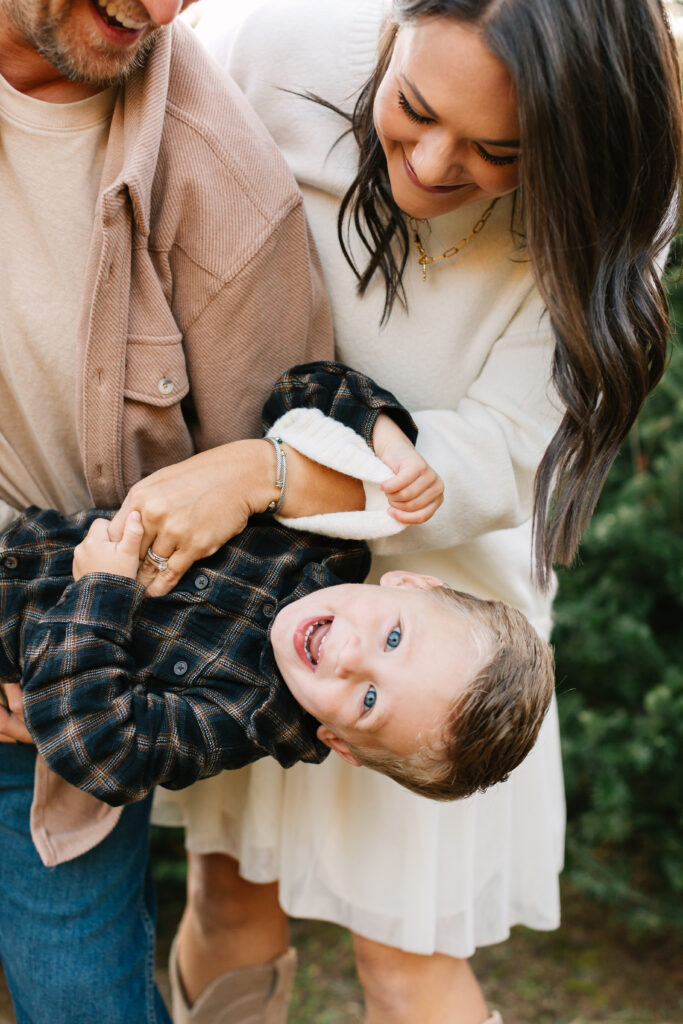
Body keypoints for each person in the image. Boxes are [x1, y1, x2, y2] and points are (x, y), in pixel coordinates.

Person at [133, 1, 680, 1022]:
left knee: (404, 951)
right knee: (228, 893)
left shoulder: (628, 166)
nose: (430, 165)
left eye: (496, 151)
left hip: (440, 618)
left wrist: (272, 476)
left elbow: (502, 451)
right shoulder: (270, 42)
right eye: (411, 108)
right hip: (250, 582)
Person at [0, 1, 381, 1021]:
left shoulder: (220, 181)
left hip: (33, 726)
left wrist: (77, 666)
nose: (162, 9)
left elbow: (281, 533)